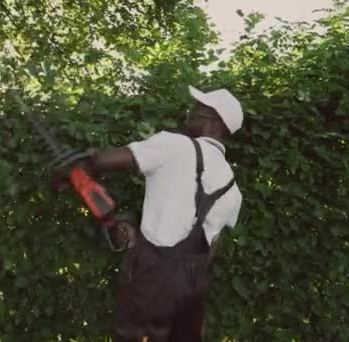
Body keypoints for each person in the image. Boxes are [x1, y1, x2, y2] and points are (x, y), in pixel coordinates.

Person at [85, 86, 244, 342]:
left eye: (198, 110)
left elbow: (103, 162)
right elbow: (213, 244)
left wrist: (88, 158)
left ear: (215, 123)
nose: (190, 112)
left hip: (153, 278)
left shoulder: (174, 144)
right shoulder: (233, 186)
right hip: (195, 283)